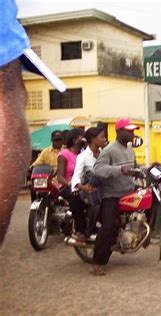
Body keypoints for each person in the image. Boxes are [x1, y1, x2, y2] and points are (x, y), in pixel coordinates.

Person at [0, 0, 66, 246]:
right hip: (46, 185)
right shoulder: (50, 153)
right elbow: (36, 165)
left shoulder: (70, 154)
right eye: (21, 105)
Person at [90, 118, 139, 276]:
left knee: (151, 202)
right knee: (108, 227)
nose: (132, 133)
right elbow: (97, 169)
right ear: (119, 131)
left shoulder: (130, 149)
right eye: (129, 131)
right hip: (112, 195)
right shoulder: (109, 150)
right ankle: (97, 263)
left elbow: (135, 168)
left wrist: (151, 167)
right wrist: (119, 170)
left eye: (133, 131)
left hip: (129, 191)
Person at [66, 127, 107, 245]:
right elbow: (76, 176)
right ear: (93, 139)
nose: (105, 139)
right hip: (89, 190)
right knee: (94, 204)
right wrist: (83, 187)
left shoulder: (105, 154)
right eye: (102, 137)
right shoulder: (82, 157)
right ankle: (87, 231)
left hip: (105, 188)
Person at [56, 128, 85, 201]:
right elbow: (60, 177)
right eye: (82, 137)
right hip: (67, 186)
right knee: (76, 195)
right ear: (75, 140)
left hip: (82, 185)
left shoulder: (83, 154)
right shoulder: (64, 154)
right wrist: (72, 184)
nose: (84, 139)